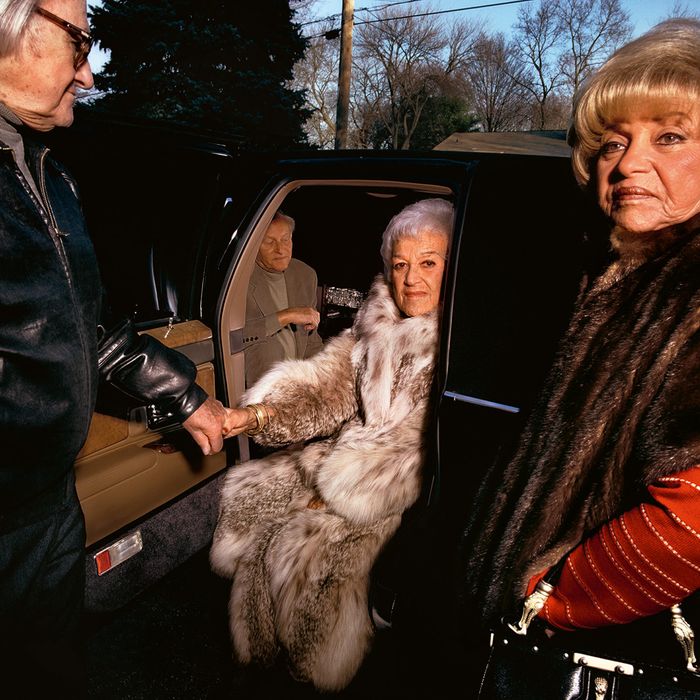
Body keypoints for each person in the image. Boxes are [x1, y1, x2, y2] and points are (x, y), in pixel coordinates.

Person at [458, 17, 700, 688]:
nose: (627, 163)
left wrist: (558, 598)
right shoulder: (616, 274)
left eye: (671, 136)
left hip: (618, 670)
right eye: (613, 142)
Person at [0, 1, 230, 695]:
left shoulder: (52, 176)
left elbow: (90, 328)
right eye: (79, 44)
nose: (91, 74)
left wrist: (185, 396)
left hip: (46, 510)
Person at [210, 198, 453, 691]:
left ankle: (317, 671)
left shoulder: (457, 339)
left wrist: (338, 492)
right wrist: (256, 414)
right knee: (253, 505)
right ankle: (261, 662)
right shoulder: (377, 321)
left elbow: (419, 443)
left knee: (309, 554)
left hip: (403, 487)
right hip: (347, 460)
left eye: (428, 263)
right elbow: (328, 385)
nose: (411, 281)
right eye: (400, 265)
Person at [242, 210, 323, 387]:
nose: (280, 249)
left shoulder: (305, 274)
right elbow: (233, 340)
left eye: (285, 239)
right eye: (270, 242)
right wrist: (286, 316)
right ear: (254, 244)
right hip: (260, 390)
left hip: (298, 386)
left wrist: (327, 375)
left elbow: (311, 341)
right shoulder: (239, 280)